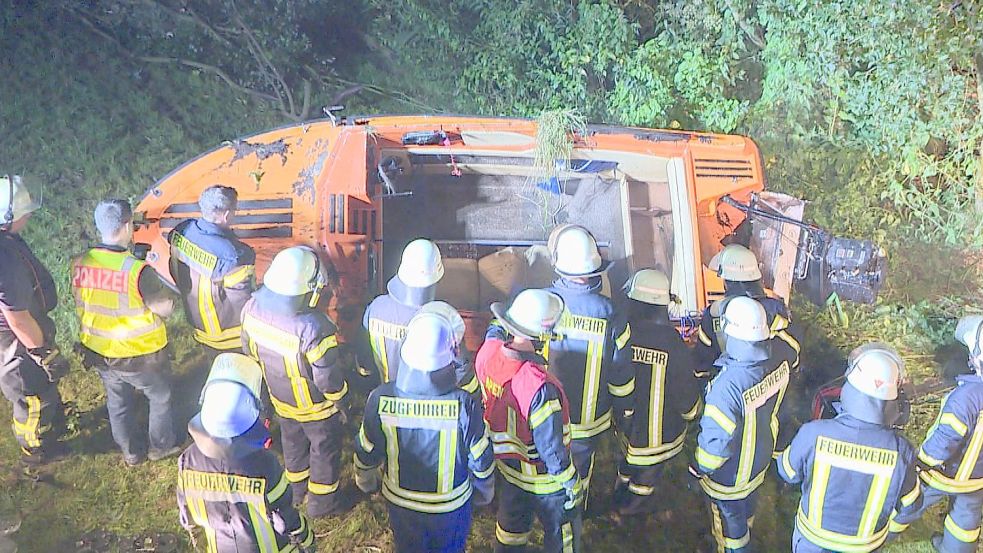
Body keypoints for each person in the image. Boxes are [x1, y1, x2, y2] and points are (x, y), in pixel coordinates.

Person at [353, 311, 495, 553]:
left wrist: (366, 482)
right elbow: (481, 458)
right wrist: (484, 493)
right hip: (451, 507)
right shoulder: (463, 404)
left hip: (401, 503)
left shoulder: (380, 397)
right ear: (451, 356)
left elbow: (366, 450)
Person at [778, 343, 921, 552]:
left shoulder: (813, 433)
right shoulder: (902, 451)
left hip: (814, 541)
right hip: (867, 546)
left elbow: (787, 472)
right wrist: (890, 533)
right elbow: (911, 505)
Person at [241, 246, 349, 518]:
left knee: (292, 445)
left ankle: (296, 490)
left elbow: (249, 351)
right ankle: (321, 505)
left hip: (281, 402)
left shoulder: (251, 309)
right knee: (324, 451)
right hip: (317, 410)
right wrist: (343, 402)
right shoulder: (315, 329)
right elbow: (328, 379)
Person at [71, 200, 179, 465]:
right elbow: (163, 309)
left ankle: (130, 452)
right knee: (161, 395)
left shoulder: (80, 262)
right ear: (128, 225)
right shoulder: (138, 271)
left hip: (98, 351)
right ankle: (160, 446)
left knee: (118, 399)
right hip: (136, 356)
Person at [476, 289, 583, 553]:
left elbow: (493, 335)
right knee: (562, 534)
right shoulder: (539, 387)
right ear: (543, 337)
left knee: (510, 533)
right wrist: (571, 481)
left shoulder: (487, 355)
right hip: (546, 482)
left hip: (510, 474)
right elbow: (552, 449)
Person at [177, 352, 315, 553]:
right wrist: (307, 541)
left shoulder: (187, 460)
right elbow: (285, 519)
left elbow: (187, 516)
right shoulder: (265, 464)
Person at [693, 297, 792, 553]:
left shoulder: (726, 388)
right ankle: (745, 534)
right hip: (758, 463)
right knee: (747, 510)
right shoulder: (778, 362)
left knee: (729, 532)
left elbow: (716, 446)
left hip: (729, 478)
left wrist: (697, 469)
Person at [542, 224, 631, 508]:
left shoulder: (542, 303)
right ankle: (573, 511)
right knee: (579, 472)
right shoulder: (611, 314)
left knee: (545, 461)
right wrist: (624, 411)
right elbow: (621, 374)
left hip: (544, 416)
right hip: (588, 424)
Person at [613, 269, 702, 518]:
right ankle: (630, 512)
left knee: (628, 463)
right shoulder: (672, 342)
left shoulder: (623, 333)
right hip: (661, 435)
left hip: (626, 426)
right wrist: (692, 411)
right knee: (647, 476)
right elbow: (684, 387)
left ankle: (619, 493)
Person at [893, 315, 983, 553]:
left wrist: (923, 461)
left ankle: (882, 535)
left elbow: (946, 439)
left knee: (911, 503)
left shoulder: (966, 398)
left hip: (942, 473)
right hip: (978, 479)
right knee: (966, 520)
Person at [0, 174, 67, 465]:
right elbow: (18, 319)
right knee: (33, 397)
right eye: (24, 208)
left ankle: (51, 423)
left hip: (21, 332)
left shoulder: (6, 240)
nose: (29, 213)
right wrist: (43, 353)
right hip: (17, 343)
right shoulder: (5, 259)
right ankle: (35, 448)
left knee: (41, 391)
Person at [169, 185, 255, 356]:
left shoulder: (181, 231)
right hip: (228, 335)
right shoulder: (233, 257)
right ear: (226, 215)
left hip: (196, 322)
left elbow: (173, 267)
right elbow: (244, 303)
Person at [696, 244, 799, 378]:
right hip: (771, 387)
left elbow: (701, 366)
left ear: (726, 281)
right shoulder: (774, 308)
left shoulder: (712, 315)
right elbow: (794, 355)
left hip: (729, 388)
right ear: (756, 277)